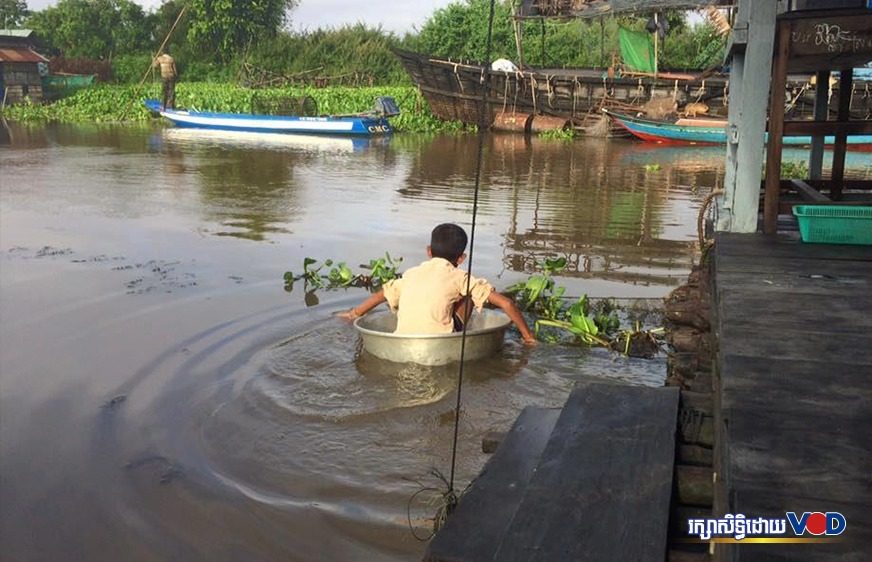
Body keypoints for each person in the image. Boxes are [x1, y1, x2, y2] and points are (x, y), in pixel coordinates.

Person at [339, 223, 537, 345]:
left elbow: (381, 295)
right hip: (441, 342)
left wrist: (354, 314)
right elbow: (507, 304)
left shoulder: (410, 274)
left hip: (400, 341)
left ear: (428, 251)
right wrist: (528, 337)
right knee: (468, 295)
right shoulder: (460, 276)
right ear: (461, 258)